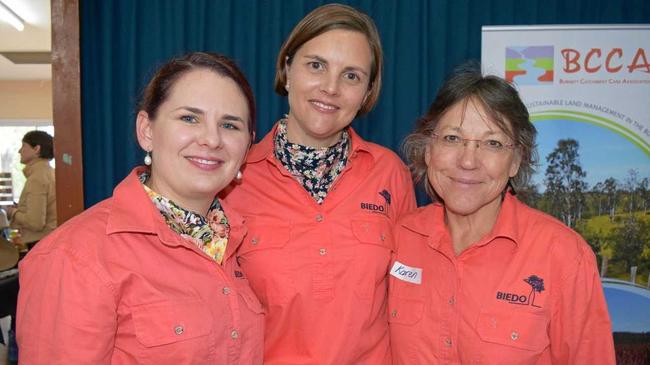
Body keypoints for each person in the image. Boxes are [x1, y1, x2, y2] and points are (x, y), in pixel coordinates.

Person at [17, 52, 264, 364]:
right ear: (147, 130)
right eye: (189, 118)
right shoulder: (74, 255)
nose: (212, 139)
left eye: (230, 125)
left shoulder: (241, 241)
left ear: (247, 147)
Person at [222, 4, 416, 364]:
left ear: (368, 91)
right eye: (316, 65)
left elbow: (410, 296)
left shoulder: (389, 172)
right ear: (287, 68)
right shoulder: (232, 176)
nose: (330, 88)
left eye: (352, 76)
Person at [389, 63, 615, 364]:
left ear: (515, 161)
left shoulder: (563, 256)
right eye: (453, 139)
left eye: (492, 143)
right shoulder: (397, 240)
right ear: (428, 150)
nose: (468, 161)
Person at [5, 131, 57, 249]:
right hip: (49, 240)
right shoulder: (49, 173)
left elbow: (36, 223)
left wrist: (13, 212)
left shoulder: (37, 178)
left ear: (36, 149)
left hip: (40, 243)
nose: (19, 151)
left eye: (24, 146)